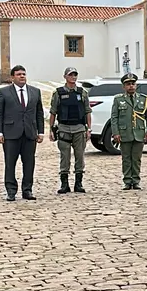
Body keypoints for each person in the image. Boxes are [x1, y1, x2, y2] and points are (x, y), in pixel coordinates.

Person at [0, 65, 44, 201]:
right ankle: (11, 190)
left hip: (29, 133)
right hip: (10, 133)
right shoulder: (4, 92)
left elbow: (39, 113)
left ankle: (27, 190)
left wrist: (41, 132)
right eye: (18, 74)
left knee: (29, 163)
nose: (22, 76)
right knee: (10, 163)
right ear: (12, 77)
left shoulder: (35, 92)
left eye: (24, 74)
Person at [49, 67, 91, 195]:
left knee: (80, 157)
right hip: (64, 129)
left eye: (75, 75)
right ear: (65, 77)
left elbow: (88, 111)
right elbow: (53, 112)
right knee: (64, 157)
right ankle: (64, 184)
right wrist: (51, 129)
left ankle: (78, 183)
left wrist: (89, 129)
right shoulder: (58, 93)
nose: (73, 77)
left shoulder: (82, 93)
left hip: (79, 129)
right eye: (70, 75)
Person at [110, 72, 147, 190]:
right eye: (128, 84)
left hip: (139, 133)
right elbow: (114, 118)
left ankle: (136, 180)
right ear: (124, 86)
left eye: (133, 84)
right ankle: (127, 181)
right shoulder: (118, 100)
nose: (131, 86)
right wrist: (116, 133)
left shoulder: (143, 99)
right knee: (126, 158)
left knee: (137, 159)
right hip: (125, 133)